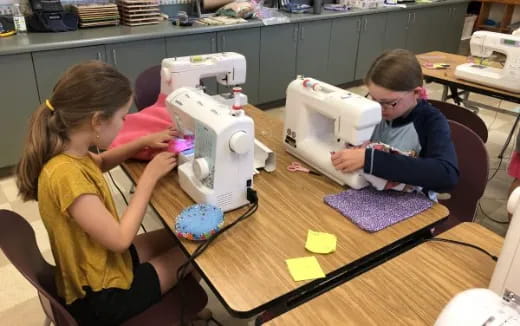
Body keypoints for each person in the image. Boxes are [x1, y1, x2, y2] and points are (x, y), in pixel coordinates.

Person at [15, 61, 200, 325]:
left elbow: (100, 163)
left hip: (97, 265)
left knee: (178, 234)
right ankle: (190, 312)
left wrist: (144, 141)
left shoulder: (67, 150)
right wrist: (148, 177)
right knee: (199, 250)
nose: (126, 124)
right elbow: (121, 239)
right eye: (123, 118)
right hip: (102, 299)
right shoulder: (66, 176)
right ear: (97, 121)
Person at [331, 49, 459, 196]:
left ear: (416, 93)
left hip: (411, 204)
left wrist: (370, 159)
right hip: (372, 194)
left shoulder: (430, 121)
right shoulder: (371, 110)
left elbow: (447, 176)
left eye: (388, 103)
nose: (378, 108)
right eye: (373, 99)